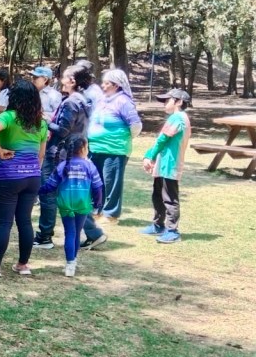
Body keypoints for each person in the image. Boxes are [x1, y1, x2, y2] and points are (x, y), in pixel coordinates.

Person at [0, 80, 48, 276]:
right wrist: (31, 170)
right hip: (32, 177)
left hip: (9, 175)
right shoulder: (41, 123)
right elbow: (41, 155)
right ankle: (22, 265)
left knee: (5, 222)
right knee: (25, 221)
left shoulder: (8, 116)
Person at [34, 65, 94, 249]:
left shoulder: (70, 102)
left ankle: (45, 236)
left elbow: (63, 130)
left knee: (48, 193)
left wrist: (44, 120)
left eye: (65, 77)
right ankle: (94, 232)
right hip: (74, 152)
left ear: (72, 81)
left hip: (59, 153)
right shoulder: (84, 100)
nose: (61, 80)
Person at [82, 68, 143, 247]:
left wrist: (122, 139)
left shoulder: (124, 102)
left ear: (116, 85)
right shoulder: (103, 100)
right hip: (96, 148)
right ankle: (98, 210)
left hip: (114, 149)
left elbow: (136, 125)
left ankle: (111, 214)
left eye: (107, 83)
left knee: (111, 181)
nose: (103, 85)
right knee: (97, 181)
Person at [39, 137, 104, 277]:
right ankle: (72, 261)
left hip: (65, 204)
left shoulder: (62, 166)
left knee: (70, 232)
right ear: (83, 148)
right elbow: (98, 186)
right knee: (77, 232)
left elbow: (50, 186)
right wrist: (97, 203)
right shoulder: (89, 166)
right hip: (83, 204)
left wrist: (37, 191)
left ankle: (70, 264)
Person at [141, 88, 192, 244]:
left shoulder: (177, 118)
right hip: (163, 163)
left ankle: (172, 231)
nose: (164, 103)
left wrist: (149, 156)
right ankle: (158, 225)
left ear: (179, 102)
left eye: (167, 100)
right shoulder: (177, 117)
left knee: (170, 198)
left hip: (170, 164)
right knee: (158, 195)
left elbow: (162, 139)